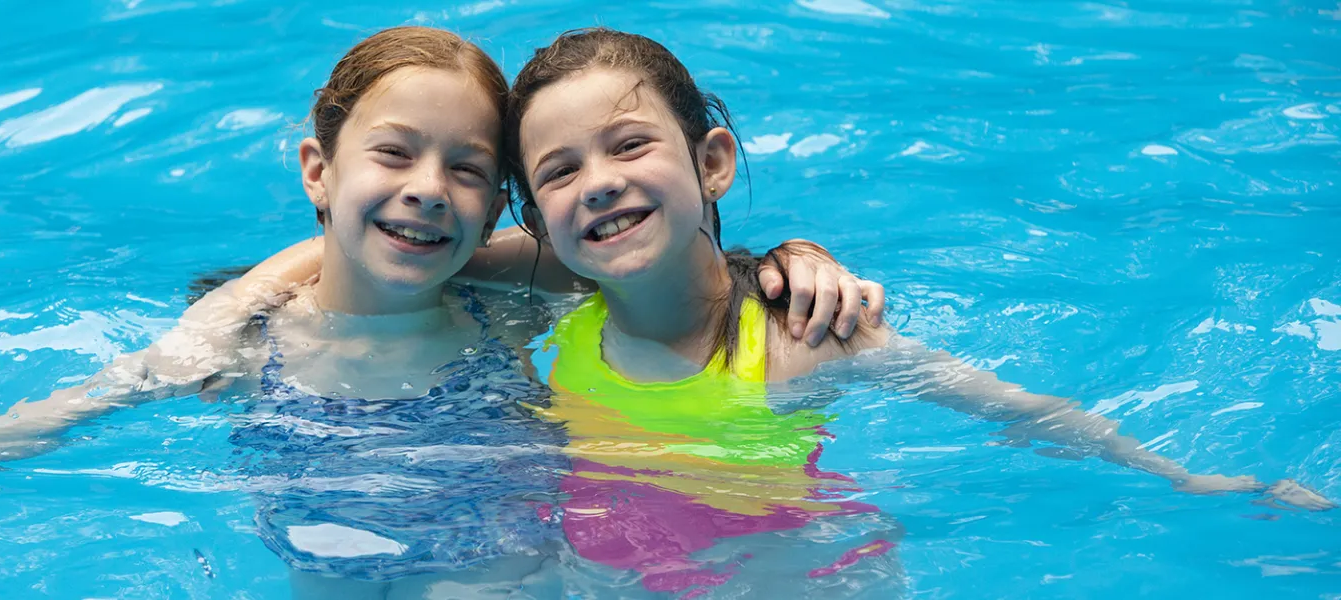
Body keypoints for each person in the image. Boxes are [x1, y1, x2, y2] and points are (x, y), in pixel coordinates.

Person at [0, 26, 883, 598]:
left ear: (501, 210)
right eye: (395, 155)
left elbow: (654, 253)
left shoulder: (505, 305)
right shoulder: (242, 341)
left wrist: (795, 261)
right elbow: (56, 421)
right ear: (317, 171)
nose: (427, 190)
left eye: (465, 171)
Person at [496, 27, 1334, 596]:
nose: (598, 180)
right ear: (536, 222)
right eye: (560, 171)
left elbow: (1015, 411)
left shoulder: (806, 335)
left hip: (798, 574)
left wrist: (1190, 481)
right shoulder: (544, 319)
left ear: (713, 163)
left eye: (630, 143)